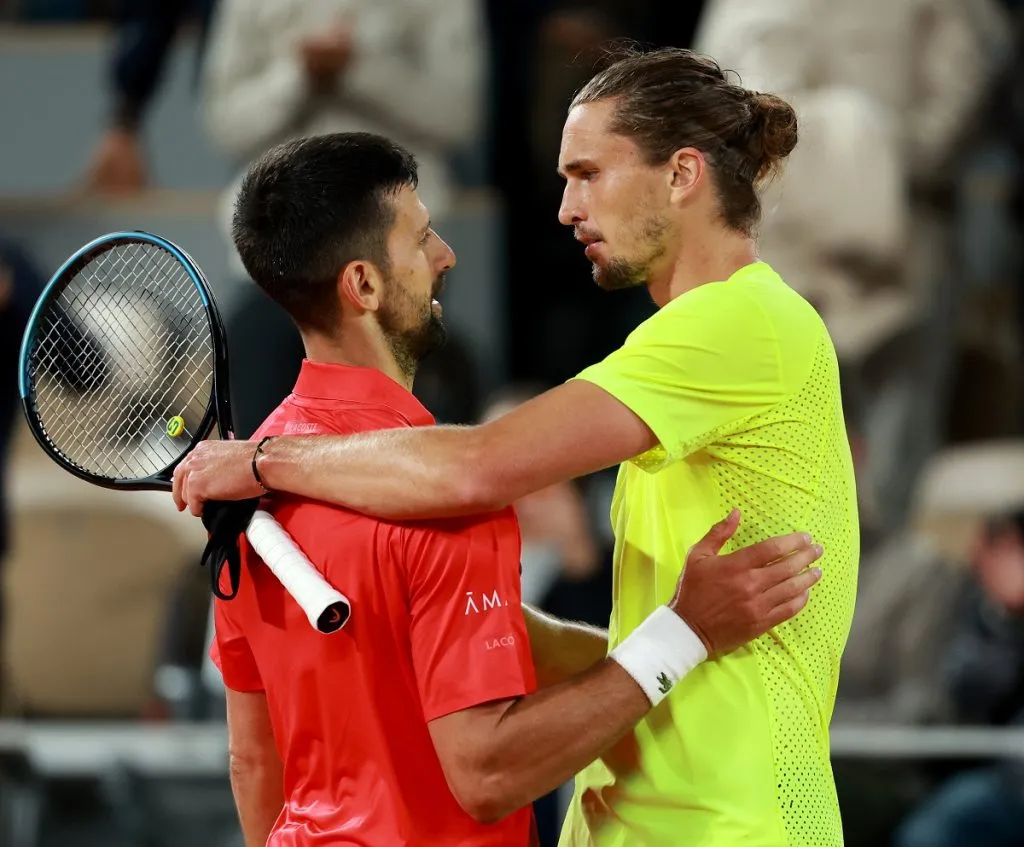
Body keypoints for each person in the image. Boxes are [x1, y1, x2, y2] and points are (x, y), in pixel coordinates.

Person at [173, 46, 857, 846]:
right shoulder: (675, 350)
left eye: (588, 173)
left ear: (681, 175)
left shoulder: (743, 325)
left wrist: (259, 462)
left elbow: (478, 467)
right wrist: (667, 631)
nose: (566, 208)